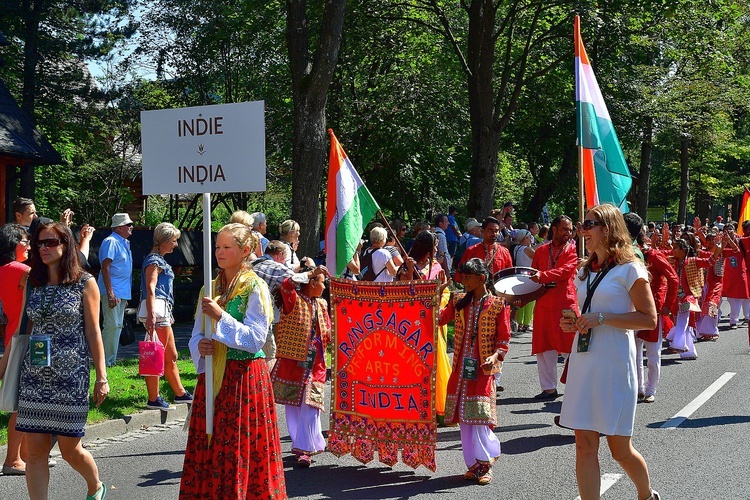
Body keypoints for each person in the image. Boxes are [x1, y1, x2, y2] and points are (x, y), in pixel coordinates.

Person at [559, 204, 659, 500]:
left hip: (615, 363)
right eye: (582, 224)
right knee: (584, 445)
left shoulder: (630, 269)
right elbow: (587, 311)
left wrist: (601, 319)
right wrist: (573, 323)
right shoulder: (583, 271)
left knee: (620, 450)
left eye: (588, 225)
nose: (582, 231)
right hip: (584, 361)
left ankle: (646, 494)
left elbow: (648, 319)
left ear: (607, 229)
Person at [181, 223, 285, 498]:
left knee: (241, 443)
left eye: (227, 247)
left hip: (244, 378)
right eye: (217, 247)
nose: (219, 252)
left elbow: (255, 339)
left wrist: (221, 317)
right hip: (214, 378)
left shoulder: (255, 287)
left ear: (245, 251)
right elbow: (196, 333)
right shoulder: (210, 286)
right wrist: (200, 344)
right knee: (211, 444)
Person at [16, 222, 109, 500]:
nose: (42, 248)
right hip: (34, 376)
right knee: (34, 451)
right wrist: (7, 363)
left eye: (50, 242)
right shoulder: (33, 281)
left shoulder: (85, 282)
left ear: (66, 244)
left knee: (70, 450)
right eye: (39, 243)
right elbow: (24, 329)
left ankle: (95, 486)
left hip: (71, 376)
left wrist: (102, 377)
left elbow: (94, 332)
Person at [439, 258, 510, 485]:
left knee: (479, 417)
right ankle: (473, 465)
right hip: (461, 369)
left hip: (482, 369)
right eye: (463, 277)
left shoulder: (499, 304)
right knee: (465, 419)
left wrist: (495, 355)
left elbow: (503, 339)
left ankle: (486, 462)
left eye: (468, 278)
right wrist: (437, 293)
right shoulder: (459, 300)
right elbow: (439, 319)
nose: (464, 281)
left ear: (481, 278)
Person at [271, 263, 330, 467]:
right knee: (294, 406)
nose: (324, 287)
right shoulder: (293, 300)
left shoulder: (322, 304)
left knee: (312, 404)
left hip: (317, 363)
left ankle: (307, 445)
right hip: (293, 361)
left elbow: (328, 331)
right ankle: (302, 444)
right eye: (322, 283)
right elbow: (286, 285)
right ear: (311, 282)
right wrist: (309, 272)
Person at [398, 231, 451, 423]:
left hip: (431, 321)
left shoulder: (436, 266)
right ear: (426, 248)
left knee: (436, 365)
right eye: (434, 246)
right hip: (412, 323)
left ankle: (438, 410)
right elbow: (404, 293)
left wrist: (442, 290)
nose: (437, 249)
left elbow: (444, 295)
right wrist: (411, 272)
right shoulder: (406, 266)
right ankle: (415, 408)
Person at [139, 223, 193, 410]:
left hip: (162, 311)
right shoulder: (154, 260)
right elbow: (150, 288)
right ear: (163, 241)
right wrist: (152, 315)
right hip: (157, 311)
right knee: (157, 355)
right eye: (174, 240)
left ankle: (179, 393)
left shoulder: (158, 259)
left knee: (170, 355)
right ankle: (154, 398)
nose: (176, 244)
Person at [529, 215, 577, 399]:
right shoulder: (541, 251)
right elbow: (533, 277)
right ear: (554, 229)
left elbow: (566, 271)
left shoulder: (573, 250)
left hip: (565, 302)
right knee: (544, 346)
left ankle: (575, 385)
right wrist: (521, 298)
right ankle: (549, 388)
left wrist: (543, 276)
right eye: (565, 229)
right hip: (543, 303)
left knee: (570, 347)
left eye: (570, 230)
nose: (569, 233)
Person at [251, 240, 315, 368]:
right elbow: (294, 280)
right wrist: (312, 271)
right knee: (269, 354)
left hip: (246, 315)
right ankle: (266, 385)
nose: (284, 262)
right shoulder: (277, 268)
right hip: (263, 319)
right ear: (279, 254)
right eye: (284, 259)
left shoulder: (251, 264)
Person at [0, 224, 31, 475]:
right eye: (25, 242)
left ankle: (25, 456)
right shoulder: (20, 270)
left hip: (15, 334)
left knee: (25, 401)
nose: (30, 246)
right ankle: (12, 459)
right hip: (22, 338)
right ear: (13, 245)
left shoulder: (6, 270)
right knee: (22, 404)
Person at [97, 213, 134, 366]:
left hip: (121, 291)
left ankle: (110, 360)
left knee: (117, 325)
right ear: (119, 228)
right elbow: (105, 267)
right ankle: (105, 362)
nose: (131, 227)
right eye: (128, 224)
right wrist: (111, 293)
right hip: (112, 291)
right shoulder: (111, 241)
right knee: (112, 325)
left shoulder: (124, 242)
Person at [454, 216, 512, 283]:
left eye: (496, 231)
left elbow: (509, 275)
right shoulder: (471, 251)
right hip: (477, 291)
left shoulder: (505, 252)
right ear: (482, 231)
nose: (494, 234)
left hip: (499, 291)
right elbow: (459, 274)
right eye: (490, 230)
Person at [512, 229, 536, 332]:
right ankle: (526, 323)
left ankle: (520, 323)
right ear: (526, 238)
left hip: (518, 275)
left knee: (521, 300)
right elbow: (537, 256)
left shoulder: (516, 248)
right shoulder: (527, 249)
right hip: (528, 276)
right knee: (530, 301)